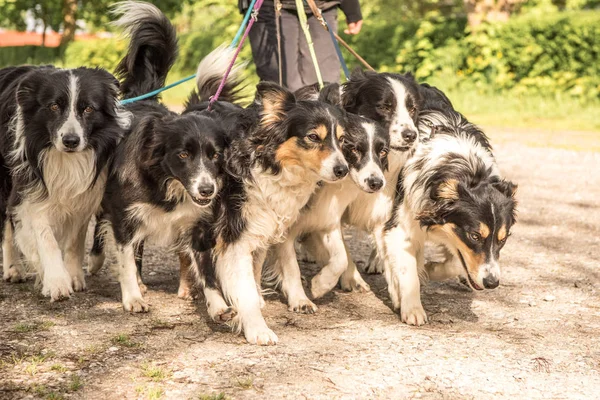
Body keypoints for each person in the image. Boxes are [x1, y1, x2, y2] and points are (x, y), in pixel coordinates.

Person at [240, 0, 363, 91]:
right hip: (268, 6)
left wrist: (351, 6)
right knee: (281, 90)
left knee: (326, 89)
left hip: (322, 6)